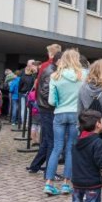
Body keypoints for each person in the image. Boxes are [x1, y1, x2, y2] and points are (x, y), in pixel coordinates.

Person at [43, 49, 86, 195]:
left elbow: (51, 100)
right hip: (76, 114)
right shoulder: (83, 75)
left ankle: (49, 183)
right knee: (70, 149)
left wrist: (60, 102)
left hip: (59, 113)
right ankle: (66, 184)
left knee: (57, 148)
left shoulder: (55, 76)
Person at [27, 44, 62, 174]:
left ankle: (35, 166)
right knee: (51, 139)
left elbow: (38, 86)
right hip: (48, 107)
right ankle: (49, 170)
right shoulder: (51, 68)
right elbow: (46, 90)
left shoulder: (45, 66)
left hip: (43, 105)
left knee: (48, 139)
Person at [18, 61, 38, 127]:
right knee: (29, 109)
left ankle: (23, 123)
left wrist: (20, 91)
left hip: (22, 93)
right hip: (29, 94)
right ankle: (27, 123)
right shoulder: (33, 78)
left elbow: (19, 86)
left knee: (23, 109)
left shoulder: (22, 77)